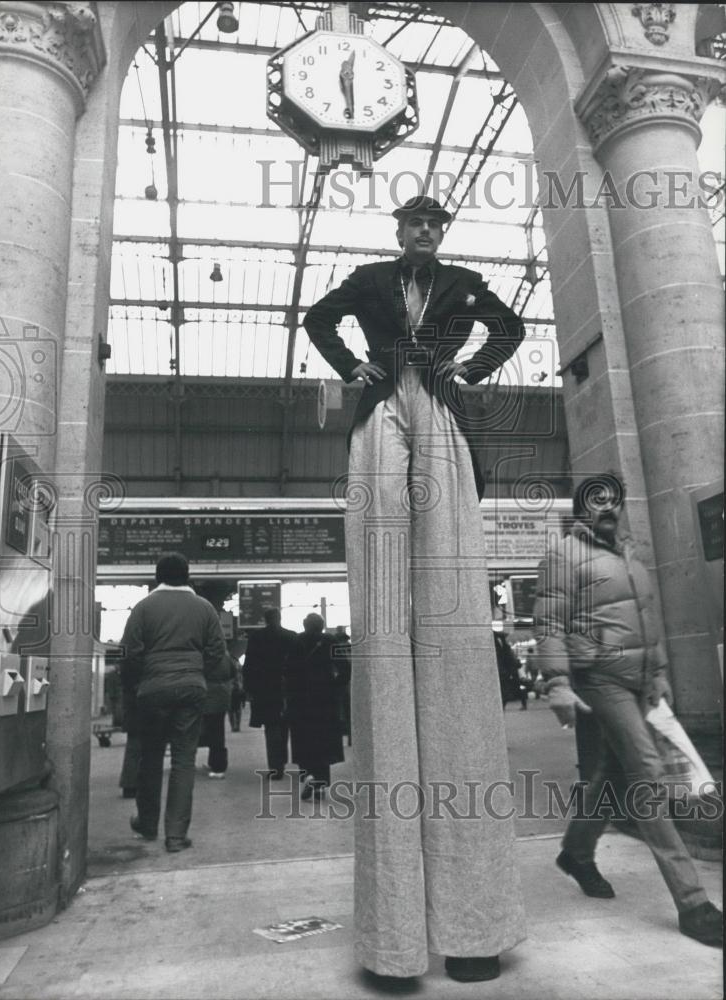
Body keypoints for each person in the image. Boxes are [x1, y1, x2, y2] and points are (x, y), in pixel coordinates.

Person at [303, 195, 527, 983]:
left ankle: (472, 930)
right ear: (399, 229)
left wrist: (470, 368)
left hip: (439, 407)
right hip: (380, 409)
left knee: (452, 621)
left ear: (441, 233)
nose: (424, 231)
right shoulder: (367, 279)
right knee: (384, 584)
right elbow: (317, 320)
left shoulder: (463, 281)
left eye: (434, 223)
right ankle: (396, 938)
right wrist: (348, 368)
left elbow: (511, 327)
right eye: (414, 223)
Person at [533, 474, 722, 948]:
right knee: (649, 776)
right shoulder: (563, 555)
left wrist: (657, 672)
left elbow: (648, 620)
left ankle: (576, 852)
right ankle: (693, 902)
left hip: (639, 680)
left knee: (613, 774)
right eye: (597, 501)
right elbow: (549, 622)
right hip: (600, 677)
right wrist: (557, 682)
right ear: (581, 510)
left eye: (613, 500)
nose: (607, 508)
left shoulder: (631, 556)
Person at [120, 552, 227, 853]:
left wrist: (141, 680)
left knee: (150, 757)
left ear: (157, 577)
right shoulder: (204, 608)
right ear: (188, 576)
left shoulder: (143, 608)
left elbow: (129, 652)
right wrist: (196, 672)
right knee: (183, 761)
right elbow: (217, 653)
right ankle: (176, 835)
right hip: (191, 689)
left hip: (152, 690)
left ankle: (147, 823)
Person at [286, 613, 348, 800]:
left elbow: (287, 670)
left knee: (304, 738)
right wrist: (335, 686)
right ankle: (321, 782)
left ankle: (309, 775)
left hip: (300, 698)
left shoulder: (296, 642)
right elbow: (345, 668)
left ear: (304, 625)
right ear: (322, 626)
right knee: (324, 739)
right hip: (325, 698)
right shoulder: (330, 641)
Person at [242, 608, 296, 780]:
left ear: (265, 620)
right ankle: (282, 759)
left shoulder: (257, 638)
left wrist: (248, 688)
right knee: (284, 724)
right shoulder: (291, 636)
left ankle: (275, 766)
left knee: (271, 726)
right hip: (287, 687)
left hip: (264, 688)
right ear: (279, 618)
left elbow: (249, 665)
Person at [198, 649, 238, 779]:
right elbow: (233, 672)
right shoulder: (224, 654)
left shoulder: (200, 654)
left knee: (205, 730)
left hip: (204, 694)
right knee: (218, 731)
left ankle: (216, 765)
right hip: (221, 695)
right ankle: (217, 763)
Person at [494, 631, 527, 710]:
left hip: (507, 670)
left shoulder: (503, 648)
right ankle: (522, 704)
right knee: (515, 687)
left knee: (505, 688)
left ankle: (503, 706)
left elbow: (511, 659)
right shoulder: (505, 647)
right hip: (511, 670)